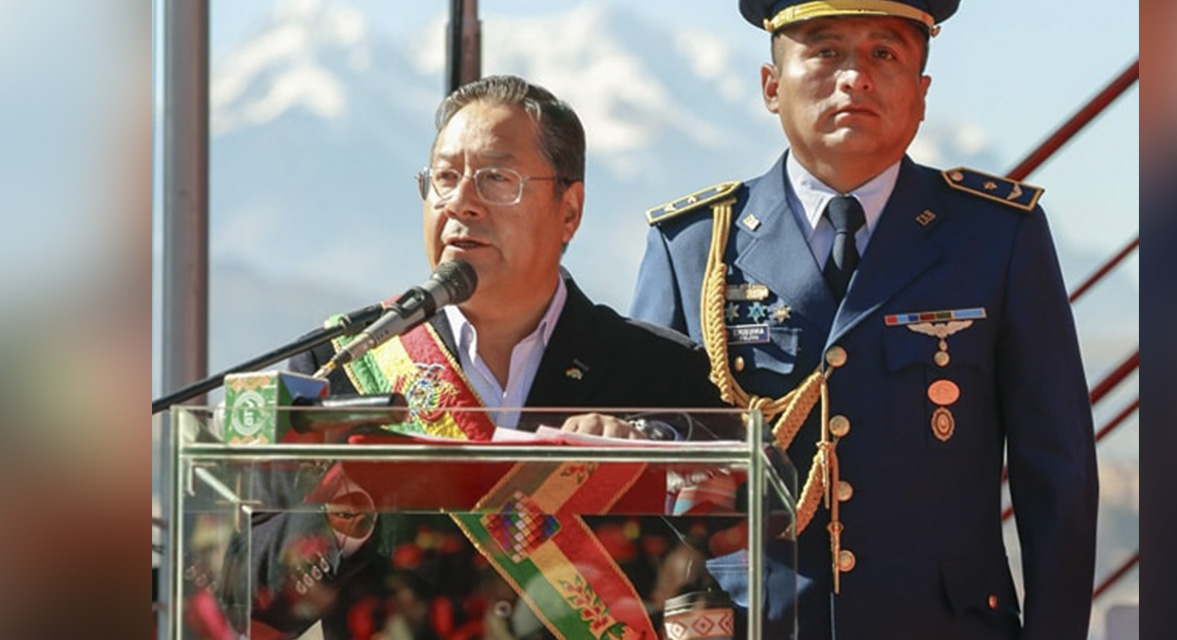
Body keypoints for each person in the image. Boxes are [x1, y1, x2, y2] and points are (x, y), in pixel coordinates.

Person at [631, 1, 1099, 638]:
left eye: (885, 54)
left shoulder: (995, 237)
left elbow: (1058, 475)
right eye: (825, 52)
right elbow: (636, 471)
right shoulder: (693, 248)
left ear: (922, 93)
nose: (855, 77)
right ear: (772, 87)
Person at [226, 75, 728, 639]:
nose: (461, 202)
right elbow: (247, 601)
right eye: (444, 178)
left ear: (570, 210)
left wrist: (640, 458)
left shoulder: (656, 370)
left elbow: (729, 551)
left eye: (496, 179)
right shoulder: (341, 364)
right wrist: (342, 510)